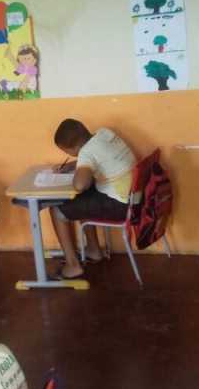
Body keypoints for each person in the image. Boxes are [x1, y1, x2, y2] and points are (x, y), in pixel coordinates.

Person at [49, 118, 136, 280]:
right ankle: (93, 250)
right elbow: (94, 157)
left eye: (68, 152)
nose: (69, 155)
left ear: (76, 147)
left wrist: (78, 171)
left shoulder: (86, 152)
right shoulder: (104, 133)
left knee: (57, 209)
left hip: (121, 205)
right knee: (83, 199)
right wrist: (71, 165)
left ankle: (73, 266)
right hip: (135, 198)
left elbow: (80, 185)